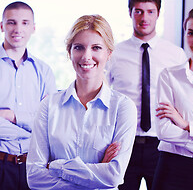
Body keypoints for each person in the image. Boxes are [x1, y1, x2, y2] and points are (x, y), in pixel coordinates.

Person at [26, 14, 137, 189]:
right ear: (69, 52)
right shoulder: (49, 105)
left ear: (109, 53)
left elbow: (114, 176)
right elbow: (34, 177)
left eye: (96, 48)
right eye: (79, 47)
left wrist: (55, 166)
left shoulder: (123, 108)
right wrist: (95, 174)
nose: (86, 56)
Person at [106, 0, 187, 190]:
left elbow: (185, 98)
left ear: (158, 13)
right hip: (124, 143)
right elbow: (103, 97)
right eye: (139, 11)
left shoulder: (176, 55)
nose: (144, 18)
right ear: (131, 13)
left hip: (163, 145)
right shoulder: (113, 54)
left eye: (150, 11)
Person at [0, 1, 57, 190]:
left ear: (33, 28)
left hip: (33, 168)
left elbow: (50, 125)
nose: (18, 29)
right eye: (11, 22)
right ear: (2, 26)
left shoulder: (44, 71)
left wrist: (12, 116)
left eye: (25, 23)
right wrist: (33, 129)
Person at [153, 7, 193, 190]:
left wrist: (186, 125)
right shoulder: (169, 76)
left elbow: (175, 130)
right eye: (191, 33)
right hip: (173, 167)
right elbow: (164, 131)